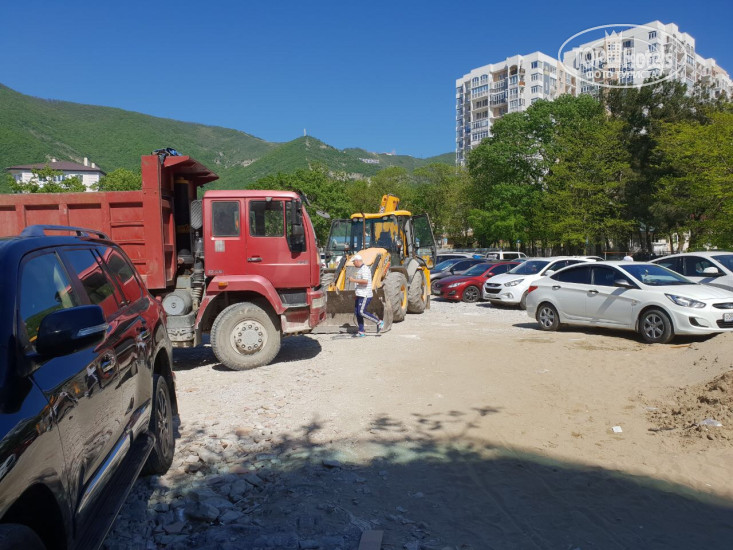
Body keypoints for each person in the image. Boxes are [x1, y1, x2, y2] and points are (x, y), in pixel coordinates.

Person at [348, 254, 385, 338]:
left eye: (354, 262)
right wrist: (357, 294)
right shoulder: (360, 269)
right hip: (360, 294)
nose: (353, 264)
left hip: (365, 294)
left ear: (357, 261)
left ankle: (379, 322)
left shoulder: (364, 269)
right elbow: (360, 283)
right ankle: (361, 331)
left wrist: (353, 280)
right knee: (358, 313)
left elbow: (365, 281)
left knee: (361, 312)